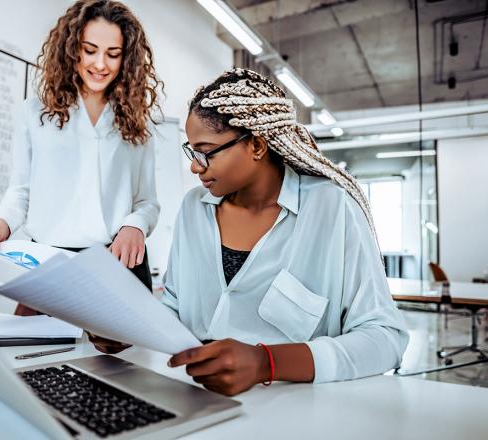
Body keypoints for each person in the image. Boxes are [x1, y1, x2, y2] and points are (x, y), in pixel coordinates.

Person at [92, 68, 409, 396]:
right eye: (192, 151)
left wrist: (266, 362)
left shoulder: (333, 208)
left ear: (256, 146)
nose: (195, 166)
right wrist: (129, 329)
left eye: (206, 152)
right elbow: (174, 306)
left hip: (297, 409)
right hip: (194, 395)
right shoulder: (194, 209)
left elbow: (385, 337)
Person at [0, 0, 163, 310]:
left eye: (113, 54)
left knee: (119, 359)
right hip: (50, 264)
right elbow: (21, 190)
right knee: (34, 354)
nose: (101, 64)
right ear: (72, 49)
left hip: (116, 263)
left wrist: (135, 226)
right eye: (90, 50)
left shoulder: (136, 122)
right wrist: (0, 225)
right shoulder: (35, 112)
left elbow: (147, 201)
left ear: (126, 59)